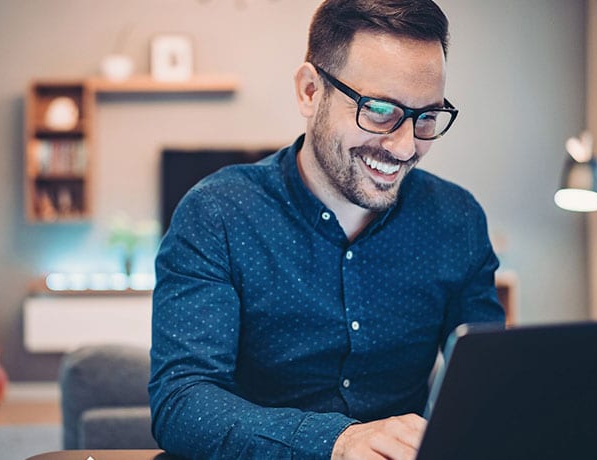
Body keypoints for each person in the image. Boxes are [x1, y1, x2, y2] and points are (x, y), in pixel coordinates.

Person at [149, 0, 505, 458]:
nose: (404, 146)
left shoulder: (458, 220)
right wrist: (335, 442)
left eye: (427, 118)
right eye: (379, 110)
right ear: (310, 92)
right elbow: (181, 402)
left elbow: (485, 388)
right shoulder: (216, 214)